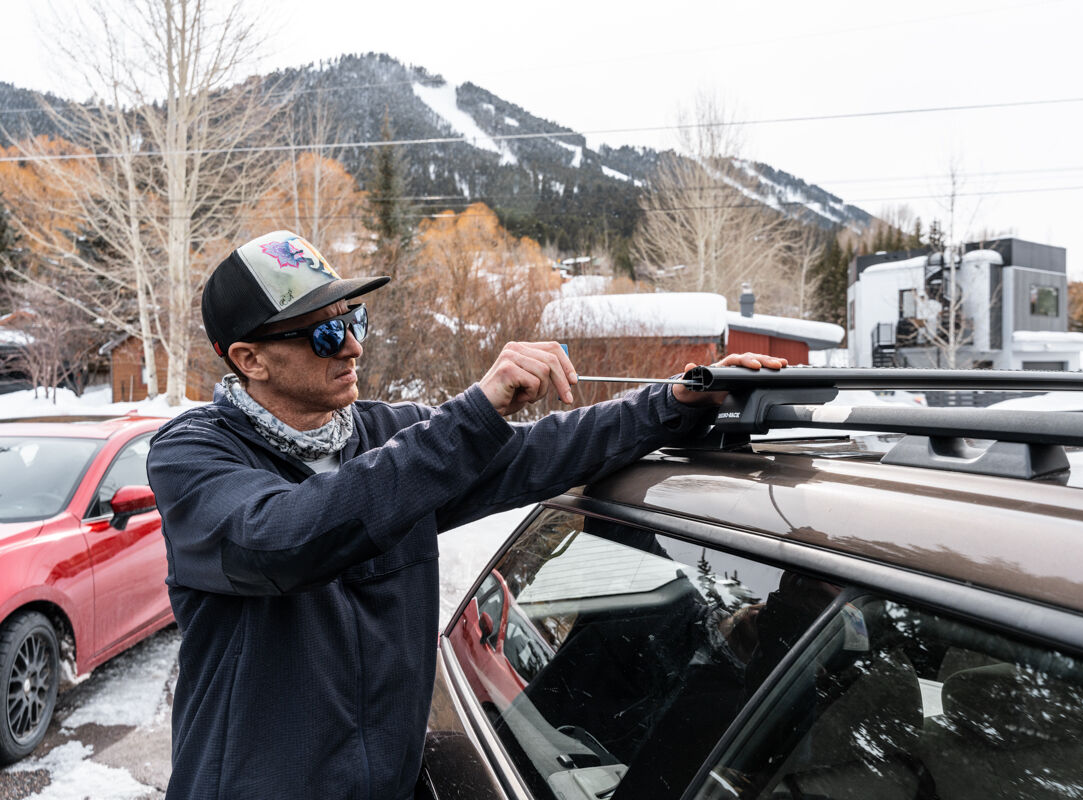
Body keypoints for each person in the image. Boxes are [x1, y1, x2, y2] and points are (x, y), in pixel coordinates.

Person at [147, 230, 787, 800]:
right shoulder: (193, 456)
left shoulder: (387, 439)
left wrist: (675, 401)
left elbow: (540, 452)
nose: (350, 347)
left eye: (355, 320)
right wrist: (472, 415)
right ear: (249, 359)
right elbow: (283, 540)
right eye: (321, 333)